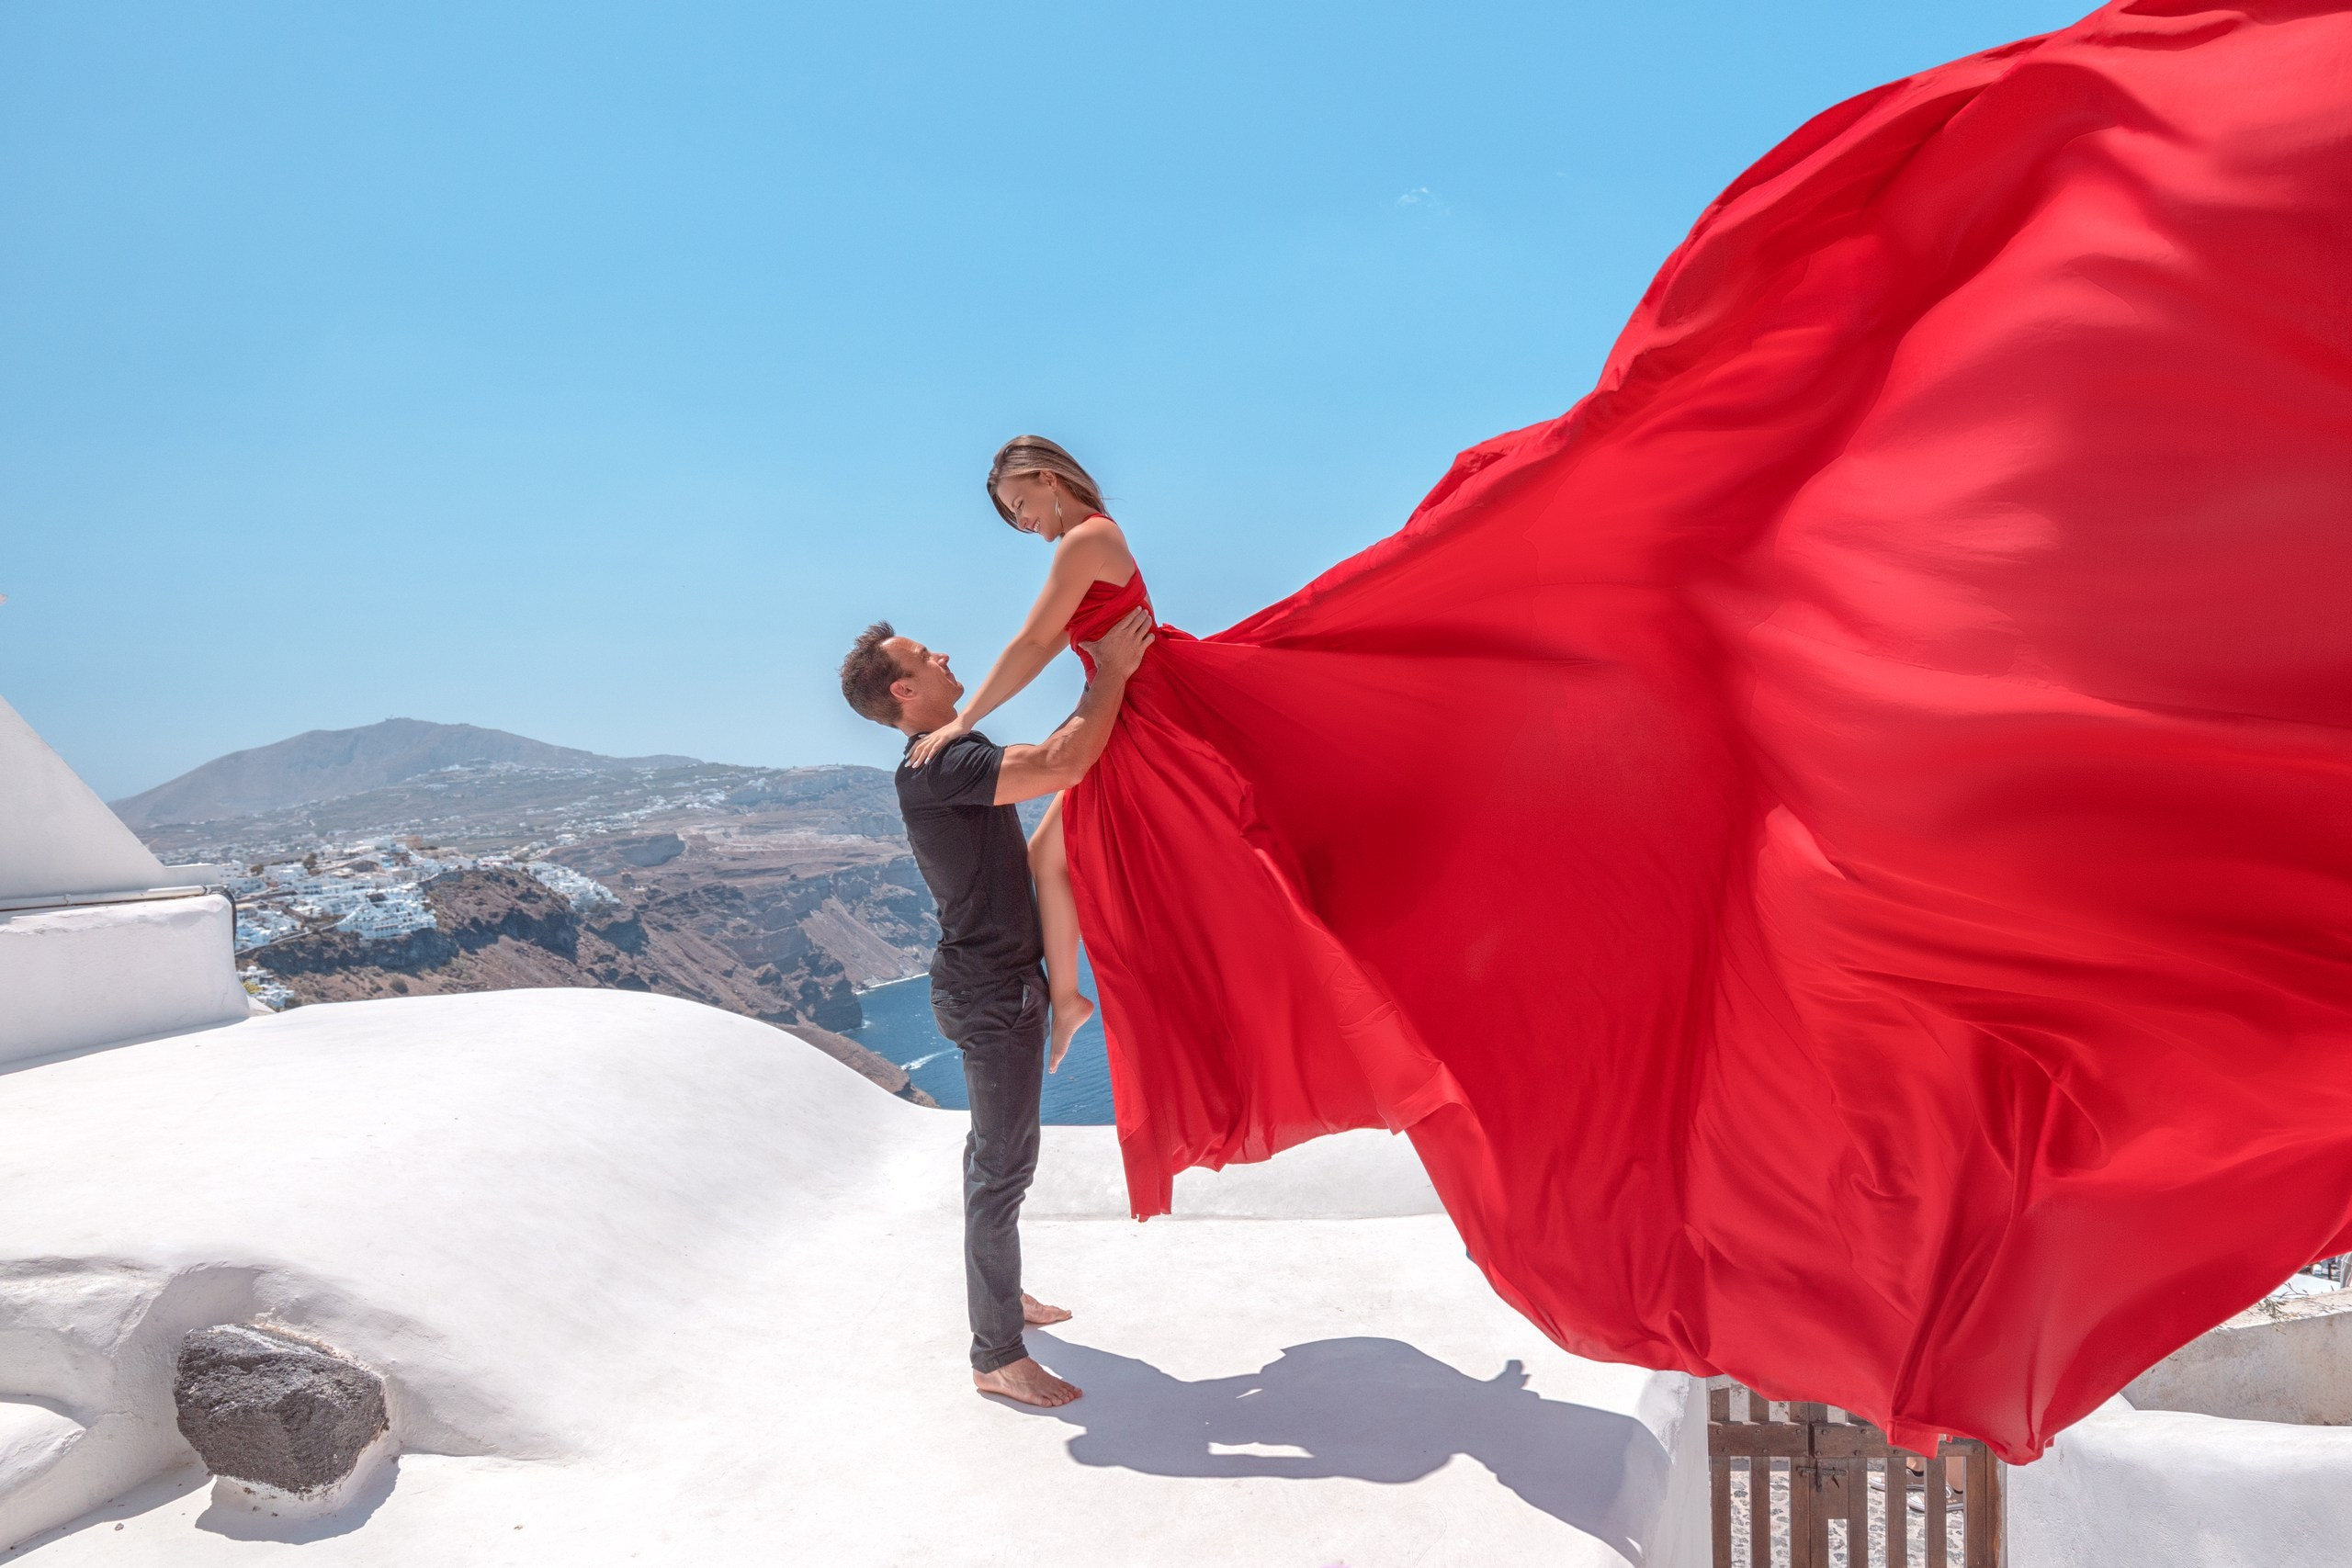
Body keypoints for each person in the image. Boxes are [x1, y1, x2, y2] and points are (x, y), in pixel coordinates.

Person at [837, 606, 1153, 1408]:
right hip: (989, 994)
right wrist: (1109, 672)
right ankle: (996, 1353)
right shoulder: (939, 763)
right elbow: (1060, 761)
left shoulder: (946, 754)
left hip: (992, 985)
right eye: (924, 654)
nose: (946, 651)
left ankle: (1002, 1304)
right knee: (1001, 1168)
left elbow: (1049, 762)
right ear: (905, 688)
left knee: (994, 1158)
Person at [905, 436, 1148, 1069]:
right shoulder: (1088, 539)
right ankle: (1068, 1000)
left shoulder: (1086, 539)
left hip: (1144, 705)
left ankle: (1070, 1000)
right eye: (1014, 517)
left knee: (1053, 854)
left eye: (1022, 505)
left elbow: (1037, 641)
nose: (1026, 523)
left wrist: (965, 722)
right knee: (1047, 854)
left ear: (1048, 478)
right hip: (1125, 704)